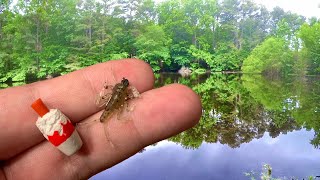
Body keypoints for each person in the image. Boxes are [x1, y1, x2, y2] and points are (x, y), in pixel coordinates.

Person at [0, 59, 201, 179]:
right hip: (112, 105)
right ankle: (99, 124)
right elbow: (122, 96)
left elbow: (121, 94)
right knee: (108, 115)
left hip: (112, 105)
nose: (123, 83)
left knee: (108, 115)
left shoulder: (120, 89)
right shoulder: (121, 90)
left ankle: (98, 123)